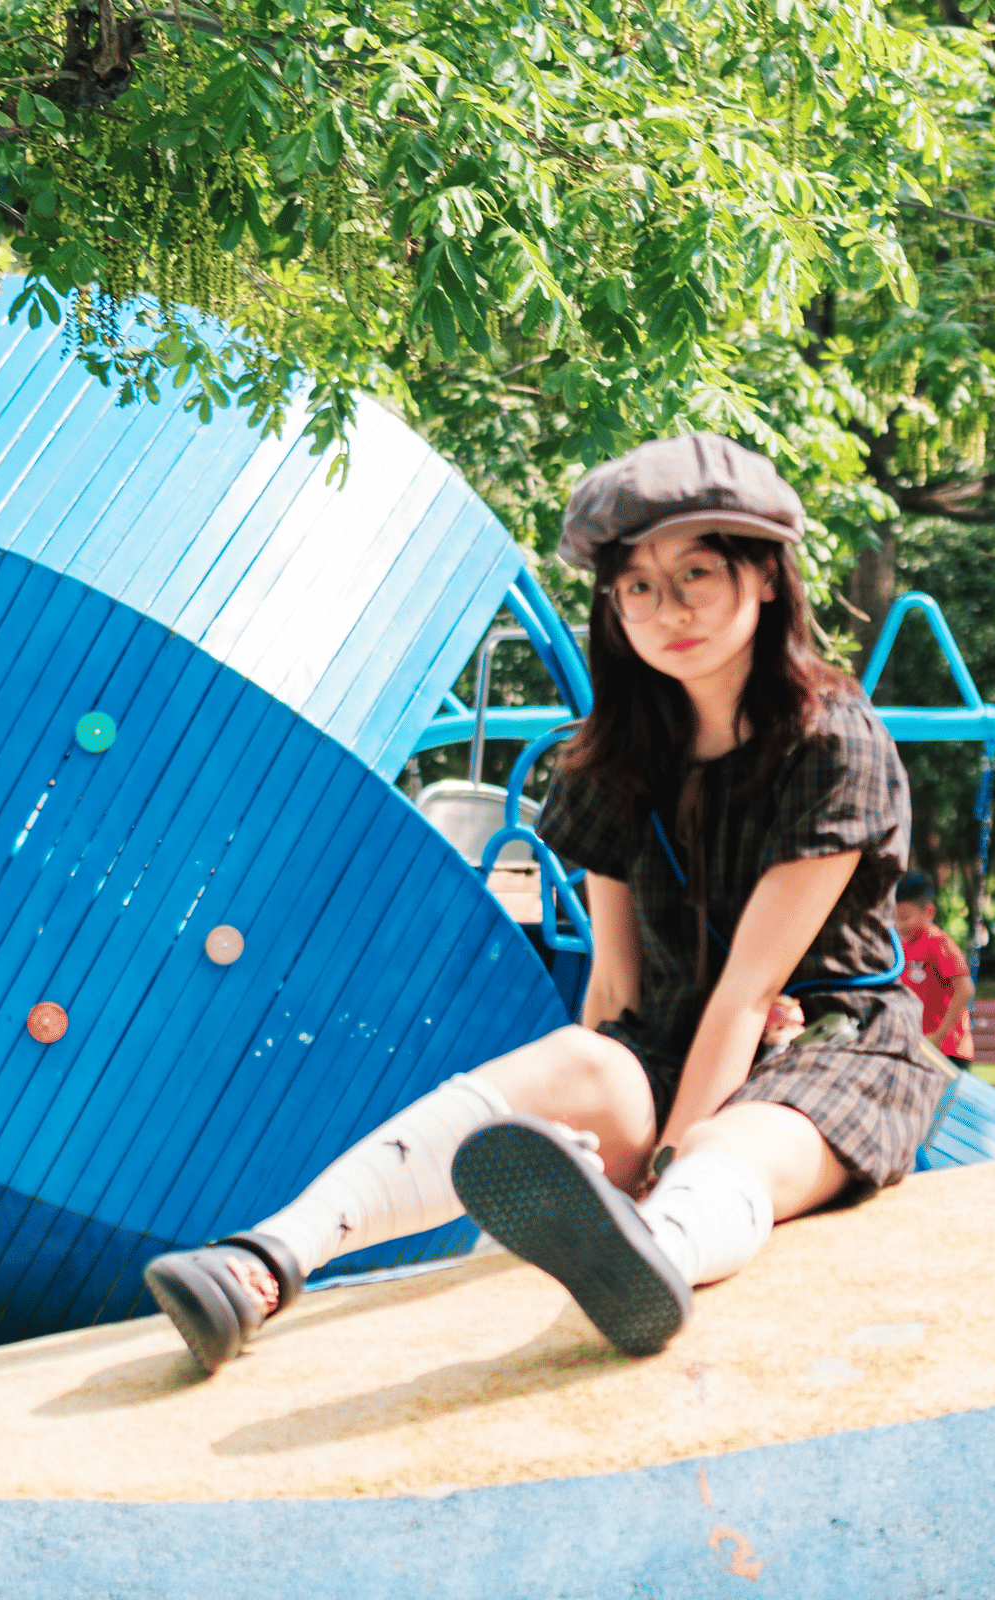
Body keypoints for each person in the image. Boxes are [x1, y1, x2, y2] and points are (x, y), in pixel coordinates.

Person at [141, 432, 942, 1372]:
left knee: (730, 1145)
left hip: (828, 1046)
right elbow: (616, 982)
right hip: (674, 1038)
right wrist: (588, 1106)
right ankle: (267, 1259)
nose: (666, 610)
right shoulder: (611, 755)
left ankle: (656, 1251)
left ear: (765, 575)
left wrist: (664, 1165)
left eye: (696, 575)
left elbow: (747, 994)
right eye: (637, 587)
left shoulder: (832, 741)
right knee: (572, 1062)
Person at [893, 871, 975, 1066]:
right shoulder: (901, 946)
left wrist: (939, 1034)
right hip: (919, 1045)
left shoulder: (938, 943)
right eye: (894, 917)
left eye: (904, 918)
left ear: (929, 912)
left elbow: (965, 989)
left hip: (947, 1049)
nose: (898, 924)